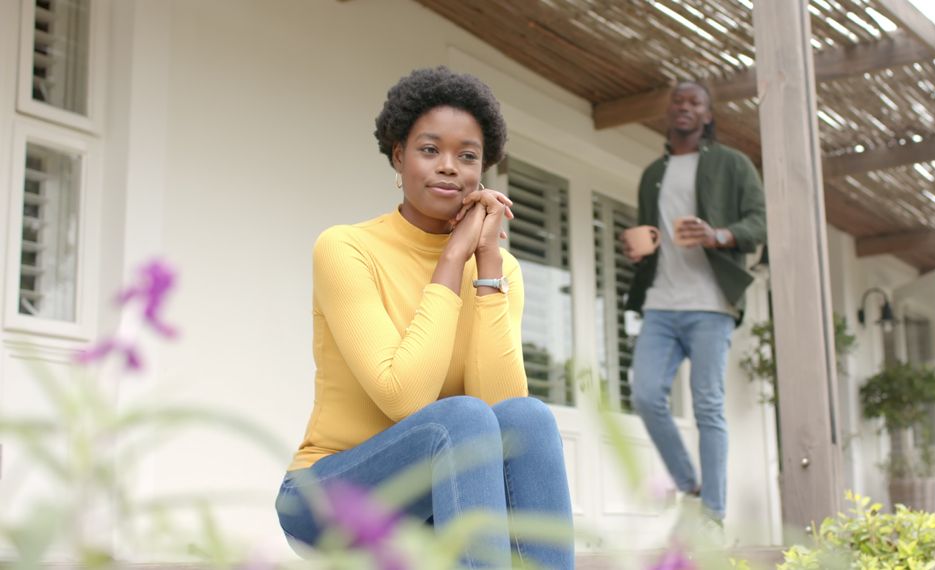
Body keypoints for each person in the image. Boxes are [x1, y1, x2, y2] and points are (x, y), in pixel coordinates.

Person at [275, 67, 574, 569]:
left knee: (529, 416)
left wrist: (488, 267)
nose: (449, 167)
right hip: (326, 496)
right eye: (430, 149)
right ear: (398, 156)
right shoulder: (347, 248)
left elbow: (502, 411)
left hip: (436, 498)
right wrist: (452, 259)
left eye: (468, 155)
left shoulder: (501, 271)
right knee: (458, 417)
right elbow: (404, 398)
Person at [622, 80, 767, 525]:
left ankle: (714, 515)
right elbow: (652, 231)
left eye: (695, 102)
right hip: (662, 302)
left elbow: (758, 224)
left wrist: (718, 235)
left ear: (707, 115)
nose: (684, 107)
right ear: (670, 113)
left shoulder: (733, 164)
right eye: (677, 101)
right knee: (645, 394)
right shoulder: (653, 174)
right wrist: (637, 248)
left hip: (710, 304)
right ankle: (690, 483)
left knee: (707, 405)